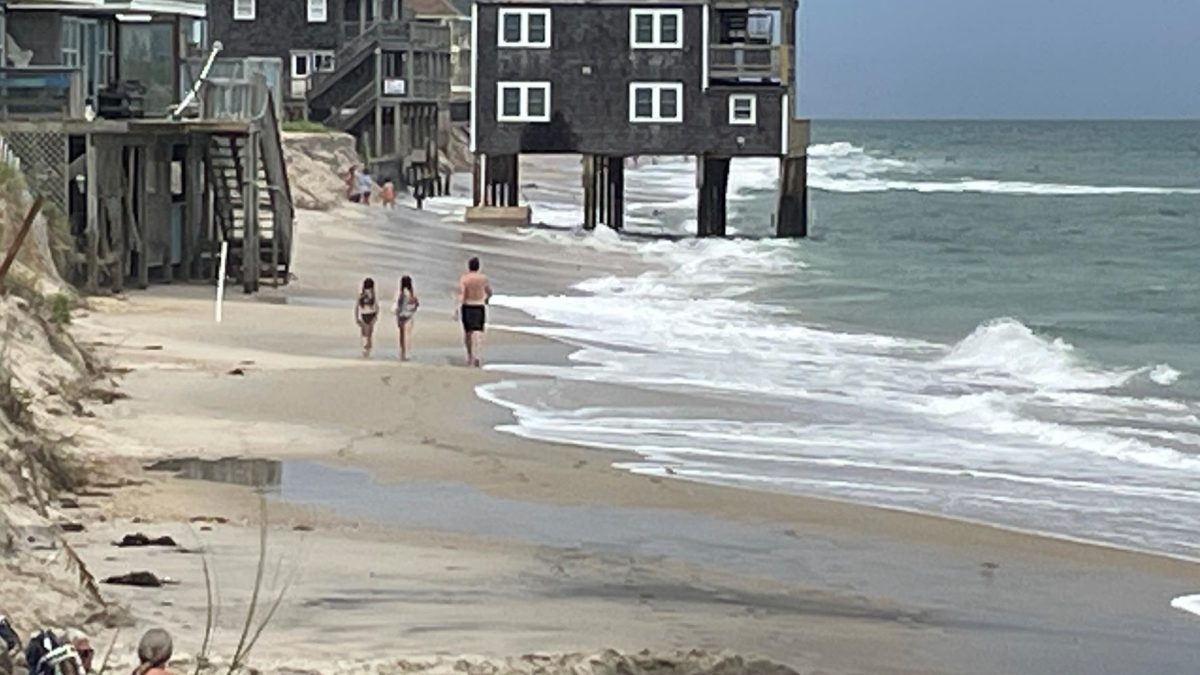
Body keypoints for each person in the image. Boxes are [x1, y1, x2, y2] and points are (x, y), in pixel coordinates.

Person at [455, 257, 492, 367]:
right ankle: (477, 355)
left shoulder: (465, 279)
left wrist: (457, 308)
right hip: (479, 305)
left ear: (469, 266)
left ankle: (470, 355)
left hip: (468, 305)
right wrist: (487, 299)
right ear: (478, 266)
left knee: (468, 333)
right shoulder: (483, 278)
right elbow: (489, 291)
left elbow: (461, 293)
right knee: (478, 332)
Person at [393, 275, 420, 361]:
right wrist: (413, 309)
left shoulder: (399, 293)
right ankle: (407, 353)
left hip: (401, 315)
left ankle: (402, 352)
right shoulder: (412, 293)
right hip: (409, 315)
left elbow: (397, 303)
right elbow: (417, 304)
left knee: (401, 334)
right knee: (407, 335)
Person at [355, 277, 379, 358]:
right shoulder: (372, 294)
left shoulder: (362, 294)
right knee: (369, 334)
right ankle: (367, 349)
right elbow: (376, 306)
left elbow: (357, 306)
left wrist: (356, 318)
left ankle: (365, 349)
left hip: (364, 314)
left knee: (364, 334)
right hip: (371, 314)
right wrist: (376, 316)